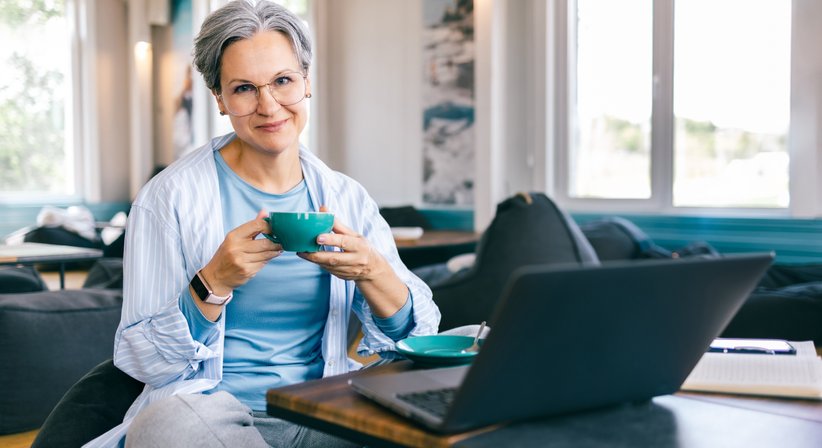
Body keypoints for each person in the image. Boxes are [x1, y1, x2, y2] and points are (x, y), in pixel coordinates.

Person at [86, 1, 440, 446]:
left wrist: (373, 271)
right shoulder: (168, 197)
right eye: (244, 88)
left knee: (466, 352)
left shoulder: (347, 197)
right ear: (220, 98)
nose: (269, 105)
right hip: (216, 419)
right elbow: (141, 360)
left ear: (306, 82)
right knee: (171, 426)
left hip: (325, 410)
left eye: (283, 81)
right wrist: (212, 282)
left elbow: (418, 337)